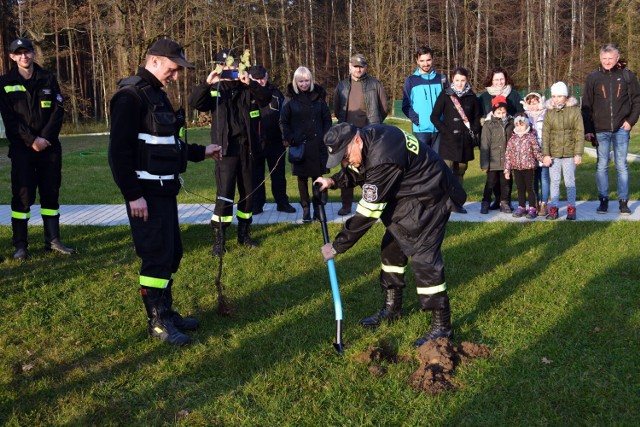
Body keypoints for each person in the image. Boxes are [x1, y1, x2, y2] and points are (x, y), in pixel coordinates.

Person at [109, 38, 222, 346]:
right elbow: (118, 152)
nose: (175, 76)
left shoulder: (156, 96)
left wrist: (202, 152)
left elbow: (167, 146)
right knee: (156, 257)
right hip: (145, 195)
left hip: (164, 192)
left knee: (172, 254)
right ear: (155, 61)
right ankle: (157, 321)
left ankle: (167, 311)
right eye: (172, 69)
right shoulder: (129, 97)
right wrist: (133, 195)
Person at [315, 123, 466, 347]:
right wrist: (334, 180)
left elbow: (367, 213)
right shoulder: (370, 138)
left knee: (424, 259)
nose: (346, 163)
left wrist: (337, 246)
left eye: (345, 156)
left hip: (432, 196)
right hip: (409, 195)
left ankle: (441, 327)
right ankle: (392, 308)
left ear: (356, 140)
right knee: (391, 248)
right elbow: (362, 168)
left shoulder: (383, 155)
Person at [189, 48, 272, 256]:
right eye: (226, 66)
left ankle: (244, 234)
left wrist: (250, 82)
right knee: (224, 195)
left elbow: (265, 99)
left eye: (234, 65)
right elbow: (195, 103)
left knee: (248, 194)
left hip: (247, 149)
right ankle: (219, 240)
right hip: (224, 150)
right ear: (219, 67)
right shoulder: (216, 89)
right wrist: (207, 83)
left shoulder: (247, 87)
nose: (231, 69)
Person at [0, 37, 75, 260]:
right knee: (22, 197)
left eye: (27, 51)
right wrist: (31, 140)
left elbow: (58, 111)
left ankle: (53, 241)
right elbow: (10, 120)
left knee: (50, 194)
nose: (24, 56)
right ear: (12, 56)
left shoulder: (48, 78)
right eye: (19, 52)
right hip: (22, 149)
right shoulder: (4, 83)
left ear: (33, 53)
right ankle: (20, 246)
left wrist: (44, 138)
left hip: (49, 147)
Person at [582, 44, 640, 215]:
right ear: (600, 58)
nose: (607, 62)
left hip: (622, 129)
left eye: (610, 58)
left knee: (622, 166)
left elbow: (637, 101)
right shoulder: (593, 77)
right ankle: (603, 200)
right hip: (600, 130)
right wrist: (589, 129)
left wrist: (631, 122)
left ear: (617, 58)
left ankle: (623, 202)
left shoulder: (627, 75)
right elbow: (586, 105)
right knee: (602, 166)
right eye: (604, 58)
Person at [333, 53, 388, 216]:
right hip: (347, 137)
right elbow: (337, 110)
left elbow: (383, 108)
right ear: (350, 66)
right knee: (346, 169)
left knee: (370, 169)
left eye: (361, 66)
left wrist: (373, 126)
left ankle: (370, 202)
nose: (358, 69)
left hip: (370, 136)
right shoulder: (341, 86)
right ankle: (346, 205)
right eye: (355, 66)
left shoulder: (375, 84)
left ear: (366, 67)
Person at [280, 66, 332, 223]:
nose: (304, 84)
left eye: (307, 80)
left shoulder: (319, 97)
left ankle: (318, 209)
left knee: (318, 179)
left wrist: (324, 136)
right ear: (296, 81)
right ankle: (306, 209)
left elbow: (327, 120)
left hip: (317, 145)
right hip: (299, 146)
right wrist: (290, 137)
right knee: (302, 180)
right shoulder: (289, 99)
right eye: (301, 81)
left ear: (311, 80)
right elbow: (283, 121)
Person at [430, 67, 481, 213]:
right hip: (448, 142)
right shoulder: (445, 95)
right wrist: (446, 131)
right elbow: (434, 117)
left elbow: (477, 116)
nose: (460, 83)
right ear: (452, 79)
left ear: (467, 80)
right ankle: (444, 202)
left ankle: (457, 203)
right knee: (447, 172)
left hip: (465, 142)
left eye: (463, 80)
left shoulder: (472, 96)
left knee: (460, 172)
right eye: (457, 80)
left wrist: (475, 129)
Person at [248, 65, 296, 215]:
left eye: (262, 77)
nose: (260, 81)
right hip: (255, 143)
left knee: (279, 176)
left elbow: (285, 117)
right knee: (256, 176)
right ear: (250, 78)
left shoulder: (276, 94)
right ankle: (257, 205)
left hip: (276, 142)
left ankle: (282, 203)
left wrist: (285, 136)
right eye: (256, 79)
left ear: (267, 76)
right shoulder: (246, 94)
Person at [478, 67, 523, 210]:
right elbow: (478, 114)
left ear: (506, 79)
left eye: (501, 79)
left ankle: (505, 201)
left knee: (506, 176)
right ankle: (495, 199)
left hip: (508, 137)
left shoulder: (514, 95)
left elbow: (520, 114)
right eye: (496, 79)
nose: (499, 82)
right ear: (491, 80)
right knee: (493, 178)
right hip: (491, 138)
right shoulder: (485, 96)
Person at [542, 82, 584, 220]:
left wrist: (578, 154)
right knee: (554, 181)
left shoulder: (574, 111)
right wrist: (546, 154)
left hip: (569, 153)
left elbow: (579, 132)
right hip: (554, 154)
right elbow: (546, 134)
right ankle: (553, 208)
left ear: (565, 96)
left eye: (559, 96)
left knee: (569, 182)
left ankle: (571, 208)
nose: (556, 99)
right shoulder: (549, 112)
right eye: (553, 96)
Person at [402, 46, 448, 152]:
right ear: (417, 61)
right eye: (422, 60)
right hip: (420, 131)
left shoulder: (442, 79)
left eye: (428, 60)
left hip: (440, 130)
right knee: (421, 164)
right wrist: (418, 120)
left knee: (438, 164)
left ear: (432, 59)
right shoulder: (411, 81)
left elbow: (449, 103)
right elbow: (405, 105)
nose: (426, 64)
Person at [479, 96, 514, 214]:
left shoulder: (511, 123)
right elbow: (485, 144)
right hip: (493, 160)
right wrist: (485, 164)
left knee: (506, 183)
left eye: (503, 112)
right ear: (493, 111)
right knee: (490, 183)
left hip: (506, 160)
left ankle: (505, 202)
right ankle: (485, 202)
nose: (502, 114)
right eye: (499, 112)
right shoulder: (488, 125)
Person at [504, 113, 543, 219]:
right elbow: (508, 155)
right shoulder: (512, 139)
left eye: (521, 125)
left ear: (527, 125)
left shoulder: (531, 137)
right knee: (520, 188)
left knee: (530, 188)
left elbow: (537, 152)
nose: (519, 127)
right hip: (517, 168)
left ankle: (532, 208)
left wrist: (543, 160)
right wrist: (507, 170)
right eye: (517, 125)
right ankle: (521, 207)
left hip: (529, 168)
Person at [522, 92, 549, 216]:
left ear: (540, 102)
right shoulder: (525, 117)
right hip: (531, 153)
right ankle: (535, 201)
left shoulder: (547, 114)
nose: (533, 106)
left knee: (544, 178)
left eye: (535, 103)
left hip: (544, 151)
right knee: (534, 180)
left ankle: (544, 203)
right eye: (530, 103)